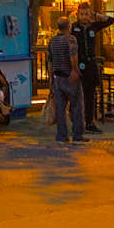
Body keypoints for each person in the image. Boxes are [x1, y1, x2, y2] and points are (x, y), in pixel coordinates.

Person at [72, 5, 114, 135]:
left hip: (90, 65)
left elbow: (111, 20)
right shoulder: (73, 27)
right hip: (77, 64)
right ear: (78, 15)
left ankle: (89, 123)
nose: (84, 17)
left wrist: (96, 14)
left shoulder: (94, 27)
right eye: (82, 14)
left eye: (86, 14)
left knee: (90, 95)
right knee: (75, 95)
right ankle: (77, 122)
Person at [47, 16, 84, 144]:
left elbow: (50, 61)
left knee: (60, 109)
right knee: (76, 106)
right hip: (69, 77)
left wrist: (51, 78)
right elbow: (73, 56)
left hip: (58, 78)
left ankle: (61, 136)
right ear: (69, 26)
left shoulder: (52, 41)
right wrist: (75, 70)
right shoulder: (71, 39)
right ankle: (77, 135)